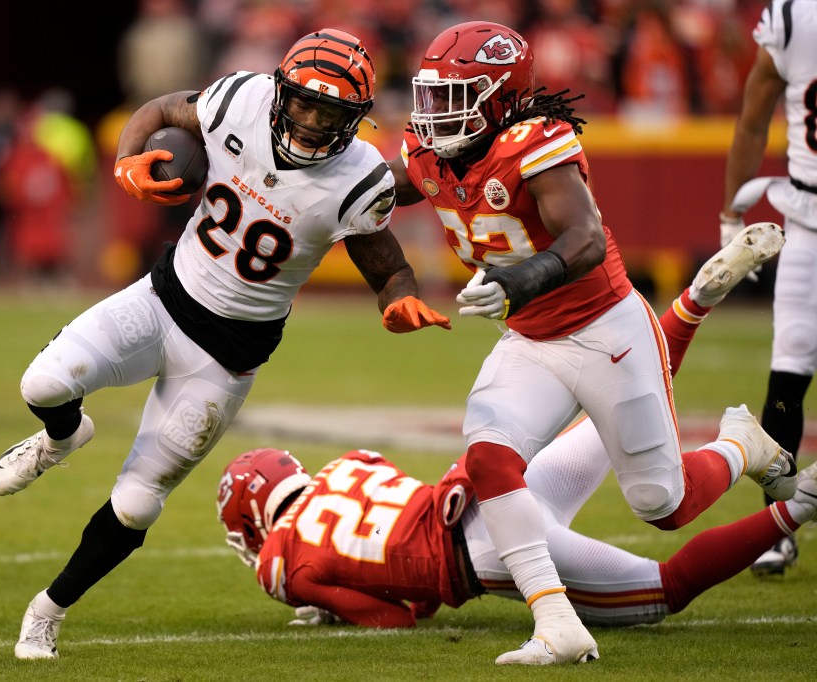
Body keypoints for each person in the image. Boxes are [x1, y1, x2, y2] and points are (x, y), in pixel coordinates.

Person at [0, 28, 450, 660]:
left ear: (356, 119)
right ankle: (63, 437)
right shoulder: (244, 99)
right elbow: (159, 110)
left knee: (139, 503)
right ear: (281, 92)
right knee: (42, 384)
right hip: (161, 298)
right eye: (304, 104)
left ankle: (48, 610)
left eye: (331, 112)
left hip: (226, 355)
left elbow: (384, 261)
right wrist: (127, 157)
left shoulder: (358, 177)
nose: (312, 122)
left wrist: (398, 295)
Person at [383, 21, 797, 665]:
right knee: (489, 456)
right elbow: (371, 198)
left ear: (499, 97)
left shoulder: (536, 142)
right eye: (431, 95)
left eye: (454, 96)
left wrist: (520, 281)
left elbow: (581, 238)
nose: (434, 113)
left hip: (606, 332)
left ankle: (740, 445)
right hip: (530, 340)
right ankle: (556, 622)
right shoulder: (429, 150)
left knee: (664, 504)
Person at [218, 233, 817, 636]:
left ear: (252, 519)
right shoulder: (348, 466)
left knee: (667, 588)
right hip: (485, 487)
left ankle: (798, 503)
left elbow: (395, 618)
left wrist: (327, 602)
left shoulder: (280, 560)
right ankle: (690, 309)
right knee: (612, 403)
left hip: (487, 554)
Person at [720, 0, 817, 577]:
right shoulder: (794, 15)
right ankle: (777, 527)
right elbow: (754, 116)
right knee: (789, 368)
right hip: (808, 218)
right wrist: (733, 213)